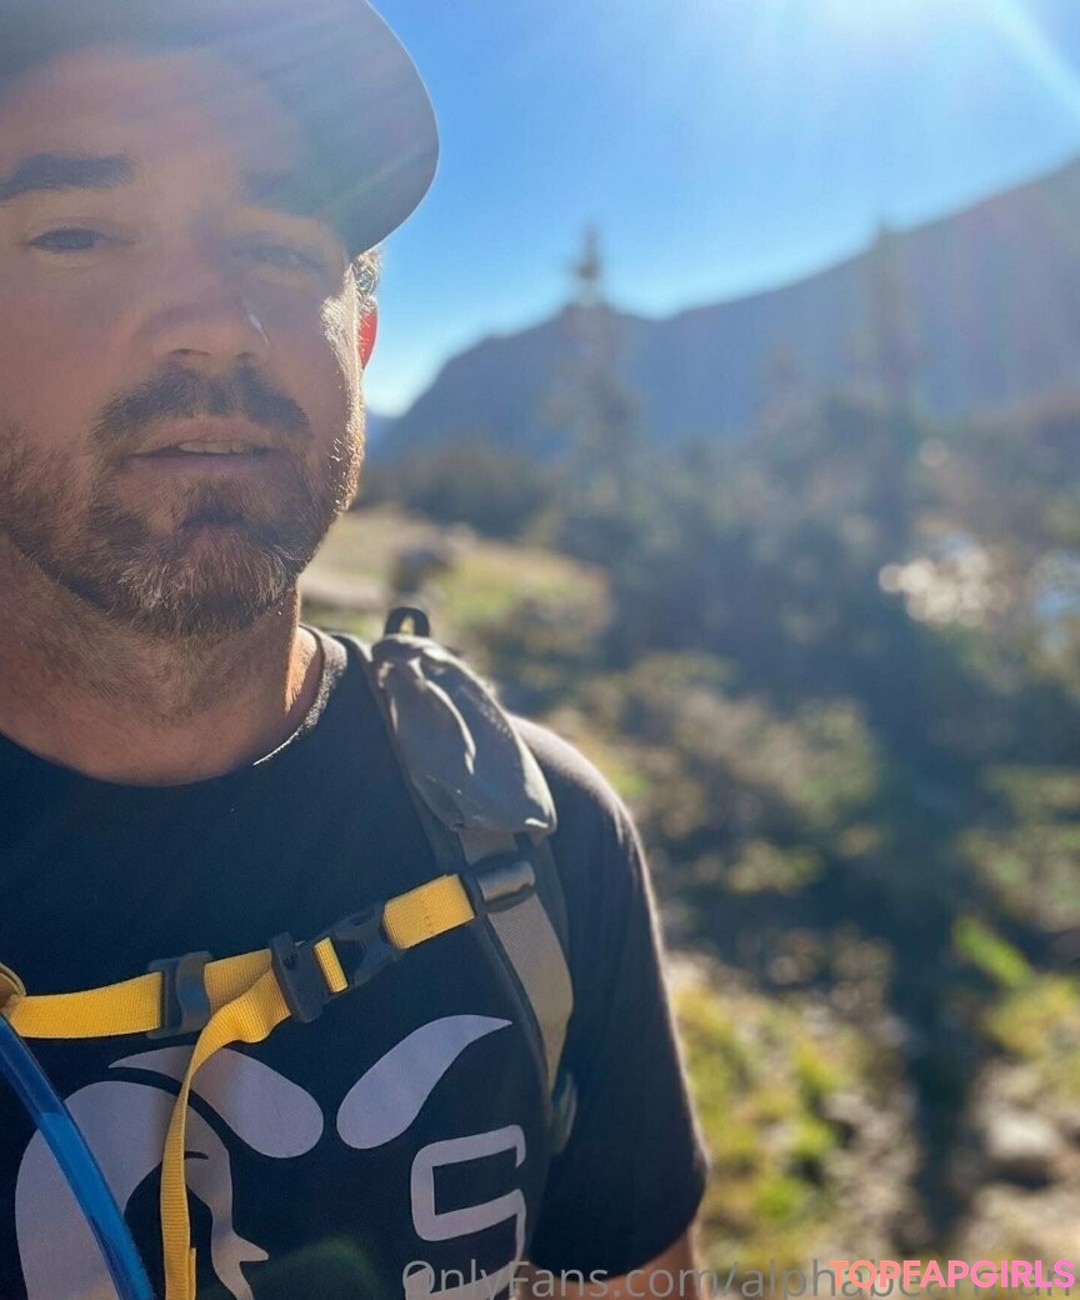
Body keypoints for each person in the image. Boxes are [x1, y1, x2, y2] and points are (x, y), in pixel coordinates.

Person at [0, 2, 709, 1298]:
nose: (216, 323)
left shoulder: (536, 839)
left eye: (280, 248)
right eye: (78, 233)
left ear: (361, 345)